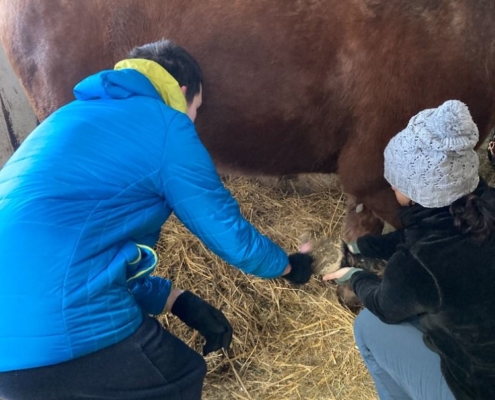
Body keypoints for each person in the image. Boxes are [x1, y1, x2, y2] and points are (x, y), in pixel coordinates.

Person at [0, 39, 313, 400]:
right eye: (197, 108)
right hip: (58, 325)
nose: (193, 120)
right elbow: (228, 232)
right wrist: (287, 266)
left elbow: (73, 253)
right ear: (182, 92)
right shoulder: (167, 125)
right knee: (181, 376)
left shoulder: (66, 117)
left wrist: (175, 299)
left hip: (12, 348)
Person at [324, 100, 495, 400]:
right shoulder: (478, 205)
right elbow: (420, 235)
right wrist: (361, 245)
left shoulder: (418, 265)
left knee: (367, 326)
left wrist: (354, 276)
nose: (392, 186)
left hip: (477, 391)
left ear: (419, 191)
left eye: (397, 182)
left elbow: (384, 305)